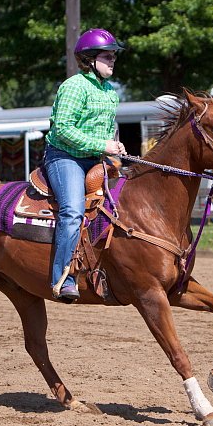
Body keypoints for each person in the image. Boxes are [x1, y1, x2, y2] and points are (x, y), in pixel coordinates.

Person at [44, 28, 127, 302]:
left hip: (94, 160)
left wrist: (114, 144)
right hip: (64, 158)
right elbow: (63, 129)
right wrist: (102, 145)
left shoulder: (110, 92)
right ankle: (62, 278)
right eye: (107, 56)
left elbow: (105, 131)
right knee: (72, 211)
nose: (113, 60)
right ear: (90, 59)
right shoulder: (74, 86)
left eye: (114, 56)